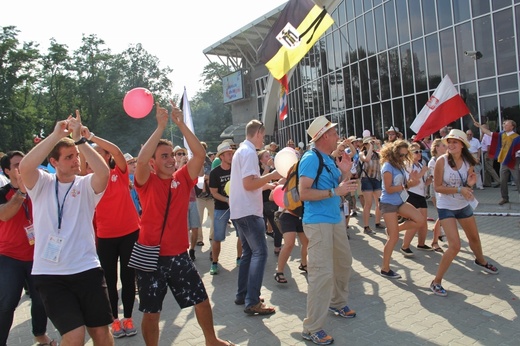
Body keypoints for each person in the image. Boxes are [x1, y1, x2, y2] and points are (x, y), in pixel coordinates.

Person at [133, 102, 236, 346]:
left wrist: (179, 124)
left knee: (201, 300)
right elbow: (141, 161)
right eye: (164, 156)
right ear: (153, 162)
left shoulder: (182, 178)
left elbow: (199, 154)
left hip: (178, 255)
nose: (170, 160)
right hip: (151, 255)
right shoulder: (146, 181)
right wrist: (160, 127)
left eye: (171, 155)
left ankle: (212, 341)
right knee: (152, 312)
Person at [19, 111, 114, 345]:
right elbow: (25, 166)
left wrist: (80, 140)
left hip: (87, 269)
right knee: (74, 336)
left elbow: (103, 172)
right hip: (51, 276)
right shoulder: (42, 183)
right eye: (69, 157)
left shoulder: (85, 185)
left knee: (101, 333)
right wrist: (54, 136)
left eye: (76, 155)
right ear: (54, 162)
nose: (76, 160)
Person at [299, 116, 358, 346]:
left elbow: (340, 188)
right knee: (321, 274)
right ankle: (312, 328)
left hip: (334, 219)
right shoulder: (310, 159)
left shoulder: (329, 159)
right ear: (324, 136)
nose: (337, 137)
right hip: (318, 222)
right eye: (334, 133)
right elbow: (304, 193)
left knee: (344, 263)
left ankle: (337, 302)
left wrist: (345, 172)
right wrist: (335, 191)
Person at [430, 129, 499, 297]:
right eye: (449, 142)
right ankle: (436, 281)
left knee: (474, 238)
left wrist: (470, 185)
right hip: (446, 205)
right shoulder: (441, 161)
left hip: (463, 204)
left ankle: (480, 261)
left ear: (462, 145)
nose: (451, 145)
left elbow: (468, 185)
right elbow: (437, 187)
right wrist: (460, 189)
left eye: (455, 142)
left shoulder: (469, 162)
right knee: (455, 246)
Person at [85, 131, 141, 338]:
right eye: (94, 154)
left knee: (128, 278)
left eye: (101, 152)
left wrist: (91, 136)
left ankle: (128, 317)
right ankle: (114, 321)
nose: (98, 155)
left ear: (107, 156)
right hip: (106, 236)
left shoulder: (120, 172)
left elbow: (117, 151)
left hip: (129, 233)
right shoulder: (88, 179)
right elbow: (83, 162)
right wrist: (80, 141)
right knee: (109, 281)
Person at [0, 151, 56, 346]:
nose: (21, 168)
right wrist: (21, 193)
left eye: (24, 163)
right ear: (7, 171)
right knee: (7, 302)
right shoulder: (3, 192)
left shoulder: (38, 188)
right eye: (16, 165)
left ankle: (40, 335)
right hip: (9, 256)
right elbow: (4, 215)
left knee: (41, 300)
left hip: (37, 255)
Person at [229, 119, 280, 315]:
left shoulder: (242, 151)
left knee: (249, 254)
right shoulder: (249, 152)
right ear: (258, 132)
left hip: (241, 210)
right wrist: (272, 176)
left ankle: (243, 295)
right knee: (260, 253)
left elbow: (247, 183)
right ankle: (252, 301)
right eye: (263, 136)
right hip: (249, 211)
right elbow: (249, 184)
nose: (264, 141)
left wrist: (267, 185)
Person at [379, 139, 426, 279]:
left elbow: (403, 184)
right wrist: (407, 185)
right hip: (388, 203)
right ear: (394, 154)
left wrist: (411, 181)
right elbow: (388, 188)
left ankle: (394, 229)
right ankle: (385, 269)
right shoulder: (387, 166)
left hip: (400, 201)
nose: (403, 158)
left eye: (406, 155)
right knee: (393, 238)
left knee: (420, 220)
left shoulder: (400, 166)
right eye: (401, 155)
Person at [208, 142, 239, 274]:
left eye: (231, 153)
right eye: (228, 154)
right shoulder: (215, 173)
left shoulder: (237, 169)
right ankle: (214, 263)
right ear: (221, 156)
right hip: (220, 208)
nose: (231, 155)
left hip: (238, 207)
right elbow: (214, 193)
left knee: (241, 235)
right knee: (217, 237)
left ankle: (239, 259)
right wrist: (227, 199)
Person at [400, 142, 434, 256]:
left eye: (420, 151)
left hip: (421, 194)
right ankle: (405, 246)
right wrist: (423, 173)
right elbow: (410, 183)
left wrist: (430, 179)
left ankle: (421, 243)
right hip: (411, 194)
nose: (419, 154)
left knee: (423, 222)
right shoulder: (408, 164)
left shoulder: (420, 164)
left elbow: (423, 183)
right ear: (409, 153)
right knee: (416, 222)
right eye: (416, 152)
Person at [475, 120, 520, 205]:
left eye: (506, 125)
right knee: (503, 180)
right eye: (504, 125)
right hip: (503, 161)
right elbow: (489, 133)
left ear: (512, 127)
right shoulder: (501, 135)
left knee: (518, 180)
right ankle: (504, 198)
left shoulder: (517, 137)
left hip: (513, 161)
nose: (504, 126)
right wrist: (480, 126)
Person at [258, 149, 282, 254]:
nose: (269, 158)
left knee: (277, 226)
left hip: (271, 202)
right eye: (266, 156)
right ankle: (260, 251)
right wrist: (267, 169)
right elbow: (259, 181)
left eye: (269, 156)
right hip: (259, 203)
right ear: (261, 160)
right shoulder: (256, 170)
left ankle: (277, 248)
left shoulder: (274, 169)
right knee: (259, 229)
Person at [358, 137, 383, 235]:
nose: (371, 144)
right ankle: (366, 226)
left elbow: (385, 156)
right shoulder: (362, 153)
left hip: (376, 179)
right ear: (365, 145)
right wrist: (370, 148)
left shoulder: (377, 154)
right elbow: (367, 159)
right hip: (366, 179)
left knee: (379, 202)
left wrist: (378, 145)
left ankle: (378, 222)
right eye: (369, 143)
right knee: (368, 203)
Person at [427, 139, 448, 252]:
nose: (446, 147)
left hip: (445, 190)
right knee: (442, 216)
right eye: (443, 146)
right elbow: (436, 178)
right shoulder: (433, 161)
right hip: (437, 191)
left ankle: (440, 234)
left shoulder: (446, 159)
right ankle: (435, 241)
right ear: (437, 148)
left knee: (444, 216)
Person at [196, 141, 214, 247]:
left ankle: (212, 236)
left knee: (214, 218)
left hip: (211, 195)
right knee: (198, 219)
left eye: (203, 148)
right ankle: (199, 239)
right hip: (198, 196)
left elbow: (212, 174)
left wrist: (207, 177)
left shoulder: (209, 161)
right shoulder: (193, 161)